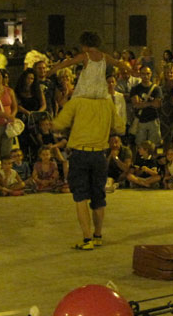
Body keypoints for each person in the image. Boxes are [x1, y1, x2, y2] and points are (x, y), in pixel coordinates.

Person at [52, 83, 122, 250]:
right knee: (99, 196)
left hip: (80, 154)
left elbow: (57, 124)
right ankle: (98, 236)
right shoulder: (107, 104)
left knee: (81, 196)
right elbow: (120, 127)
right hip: (99, 155)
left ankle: (87, 239)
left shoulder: (76, 102)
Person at [48, 32, 119, 100]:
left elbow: (69, 62)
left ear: (85, 45)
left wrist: (53, 70)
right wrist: (130, 70)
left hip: (86, 92)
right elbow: (118, 63)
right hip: (100, 93)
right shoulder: (104, 56)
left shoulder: (85, 56)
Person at [130, 67, 163, 147]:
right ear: (140, 75)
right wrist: (151, 103)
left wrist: (144, 104)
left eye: (148, 74)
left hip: (153, 119)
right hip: (140, 120)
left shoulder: (156, 89)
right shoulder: (135, 89)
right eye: (143, 74)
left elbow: (157, 104)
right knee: (140, 145)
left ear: (151, 74)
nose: (146, 76)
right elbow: (136, 105)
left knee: (155, 144)